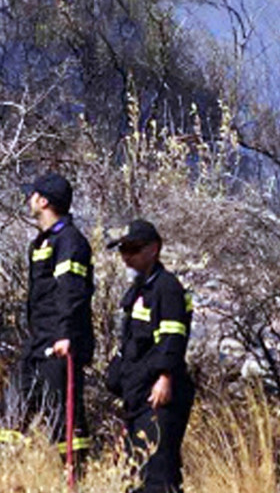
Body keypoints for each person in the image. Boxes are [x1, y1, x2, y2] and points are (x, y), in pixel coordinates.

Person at [0, 173, 94, 460]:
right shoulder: (41, 242)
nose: (28, 200)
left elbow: (71, 291)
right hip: (38, 342)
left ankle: (75, 477)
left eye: (32, 195)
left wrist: (65, 335)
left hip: (61, 343)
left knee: (63, 418)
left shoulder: (70, 241)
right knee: (14, 406)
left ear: (43, 201)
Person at [106, 219, 194, 493]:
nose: (126, 258)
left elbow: (173, 338)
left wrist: (165, 378)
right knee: (135, 480)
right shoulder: (137, 292)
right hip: (138, 397)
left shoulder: (167, 288)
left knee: (159, 478)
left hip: (159, 398)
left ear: (153, 249)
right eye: (123, 251)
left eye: (132, 250)